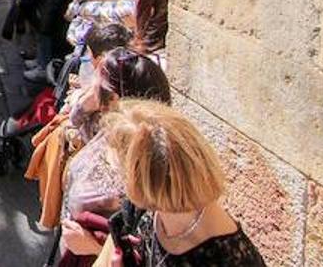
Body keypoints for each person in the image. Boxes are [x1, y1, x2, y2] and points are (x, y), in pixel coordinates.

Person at [81, 101, 267, 266]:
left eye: (120, 171)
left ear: (143, 182)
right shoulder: (143, 209)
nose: (120, 180)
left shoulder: (228, 259)